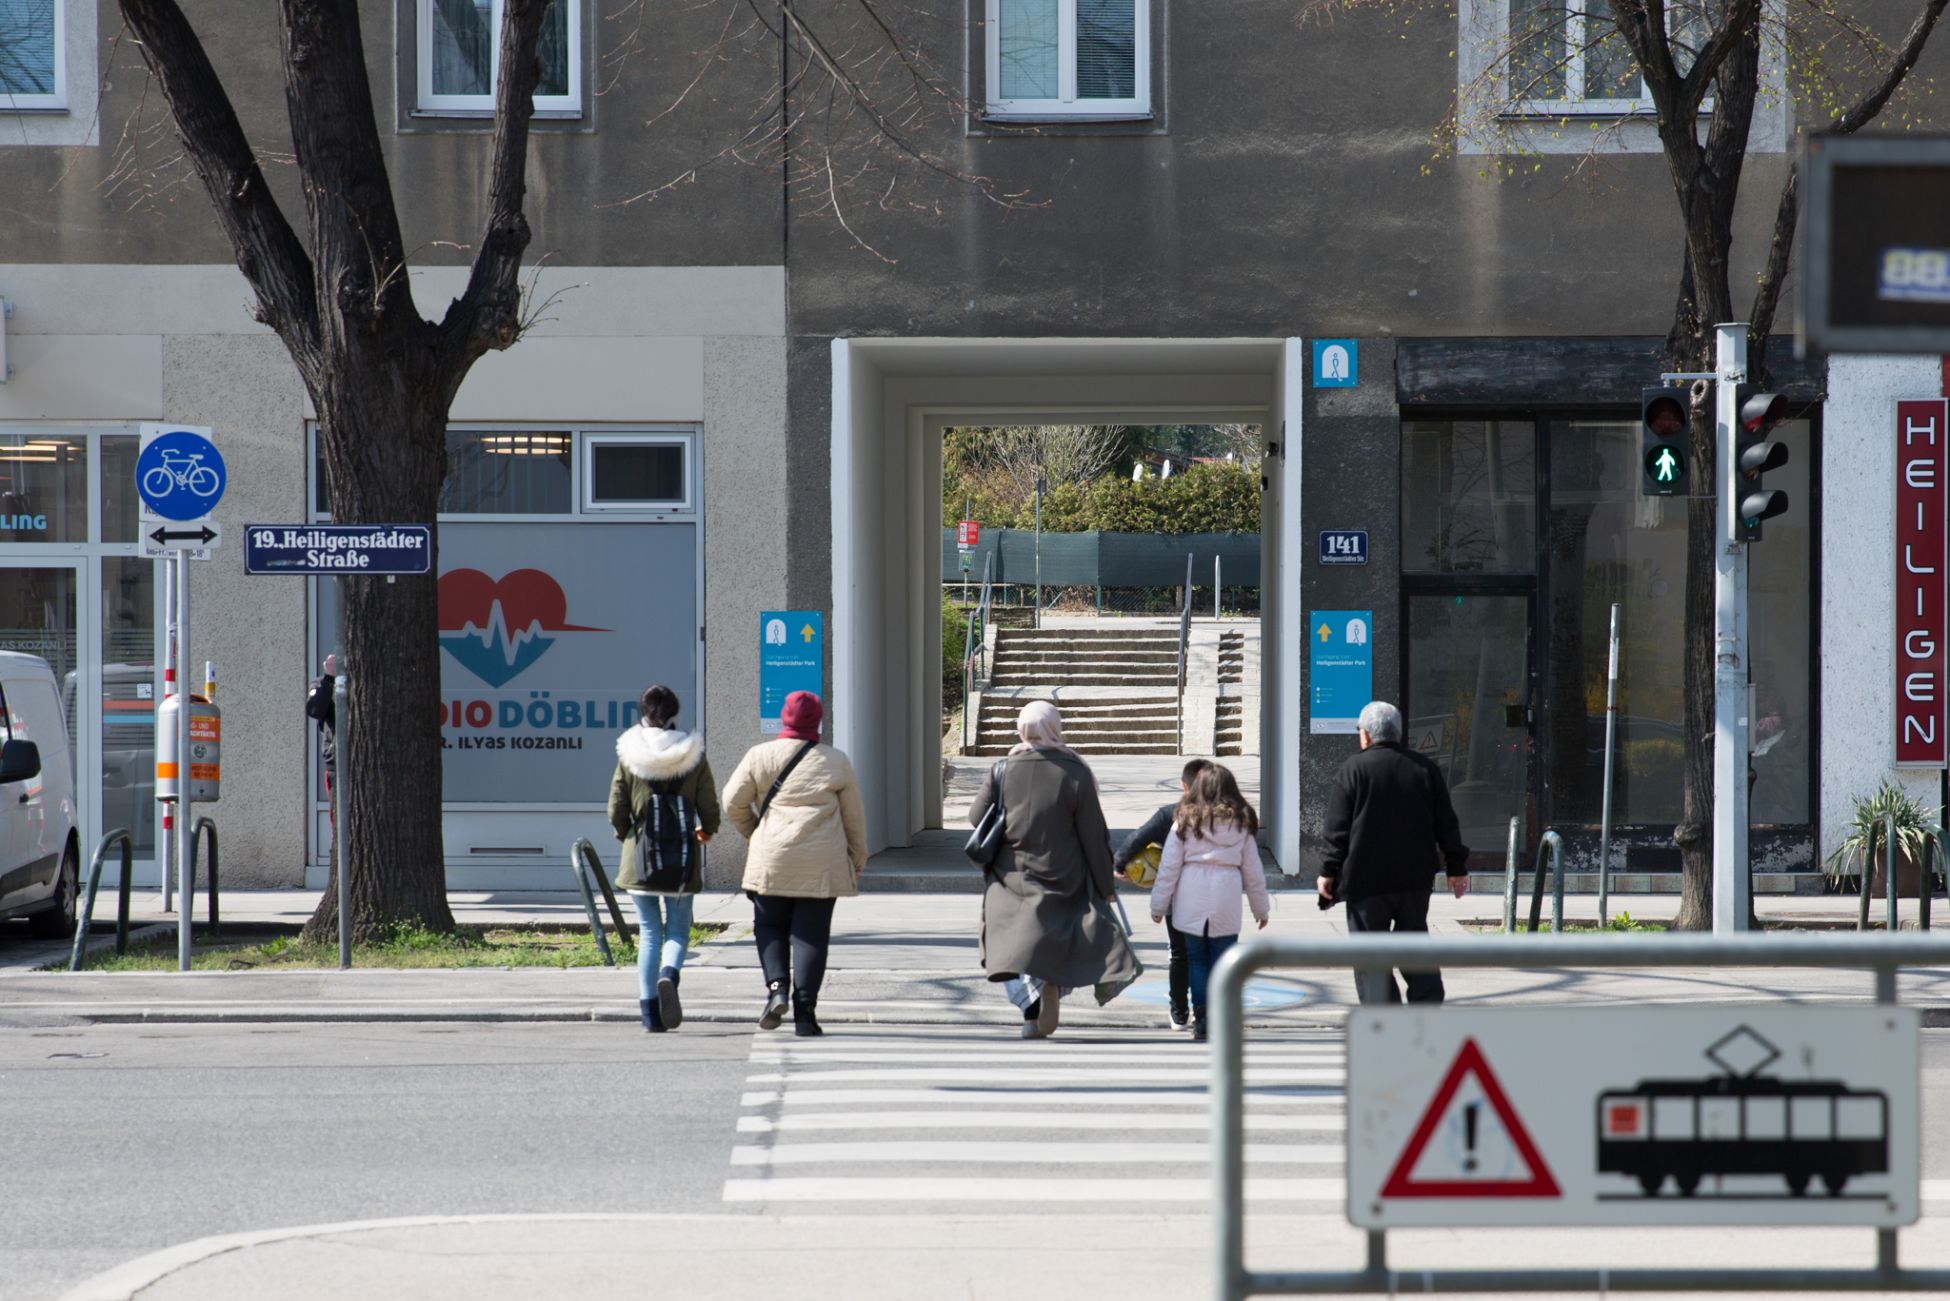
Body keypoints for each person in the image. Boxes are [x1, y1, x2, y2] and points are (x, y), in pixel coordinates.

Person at [970, 700, 1141, 1039]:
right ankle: (1051, 983)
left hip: (1011, 876)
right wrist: (1105, 883)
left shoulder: (1002, 769)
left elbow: (977, 818)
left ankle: (1030, 1015)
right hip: (1064, 872)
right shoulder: (1074, 771)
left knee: (1016, 946)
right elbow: (1094, 836)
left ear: (1021, 728)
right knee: (1058, 938)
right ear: (1055, 727)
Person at [722, 690, 868, 1037]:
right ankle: (805, 1014)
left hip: (771, 858)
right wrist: (857, 858)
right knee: (810, 936)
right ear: (817, 720)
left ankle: (776, 989)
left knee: (769, 926)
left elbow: (731, 801)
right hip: (821, 862)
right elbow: (854, 819)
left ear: (784, 717)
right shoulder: (835, 761)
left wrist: (754, 832)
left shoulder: (759, 756)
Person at [1318, 700, 1470, 1005]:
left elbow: (1338, 827)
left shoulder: (1353, 770)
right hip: (1414, 879)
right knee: (1414, 941)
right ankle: (1426, 1003)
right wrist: (1456, 867)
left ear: (1366, 735)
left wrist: (1328, 870)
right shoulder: (1425, 769)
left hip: (1365, 881)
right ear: (1398, 733)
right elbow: (1446, 822)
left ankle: (1384, 1014)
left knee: (1369, 953)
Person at [608, 684, 719, 1033]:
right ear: (674, 714)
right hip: (683, 858)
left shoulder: (629, 753)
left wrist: (626, 834)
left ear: (643, 712)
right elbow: (709, 806)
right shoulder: (693, 754)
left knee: (650, 932)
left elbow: (616, 807)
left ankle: (649, 1015)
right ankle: (669, 974)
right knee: (678, 930)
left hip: (639, 857)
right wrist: (707, 831)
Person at [1149, 764, 1269, 1041]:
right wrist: (1260, 908)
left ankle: (1201, 1016)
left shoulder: (1184, 821)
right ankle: (1220, 1014)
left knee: (1197, 961)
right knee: (1224, 961)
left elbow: (1169, 868)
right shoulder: (1241, 823)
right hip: (1225, 897)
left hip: (1190, 897)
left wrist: (1158, 905)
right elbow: (1253, 872)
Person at [1114, 757, 1214, 1031]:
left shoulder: (1168, 815)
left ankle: (1178, 1011)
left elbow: (1136, 839)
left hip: (1177, 898)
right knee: (1205, 953)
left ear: (1184, 786)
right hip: (1214, 898)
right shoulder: (1227, 817)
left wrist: (1120, 863)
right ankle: (1204, 1011)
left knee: (1180, 954)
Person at [304, 654, 338, 826]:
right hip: (337, 767)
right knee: (339, 822)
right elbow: (314, 710)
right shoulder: (323, 684)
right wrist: (329, 679)